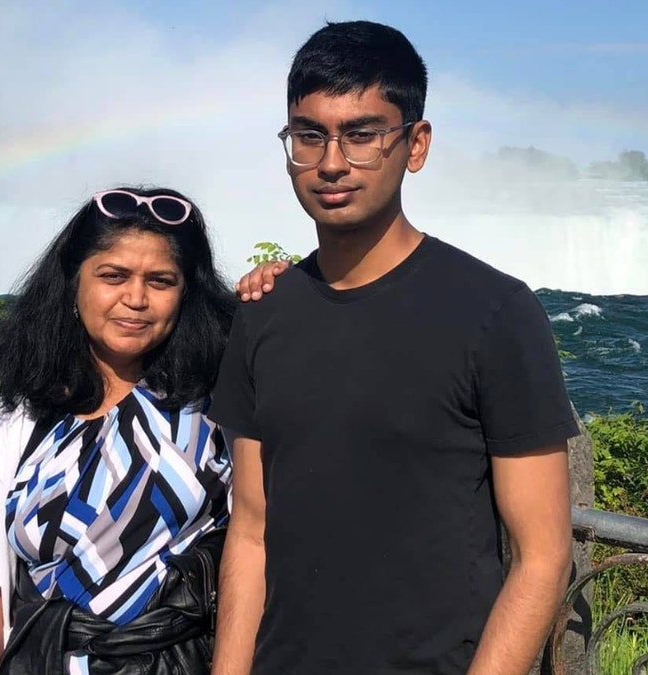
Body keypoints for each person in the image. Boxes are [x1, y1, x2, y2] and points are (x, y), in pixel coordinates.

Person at [210, 20, 578, 675]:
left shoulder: (495, 313)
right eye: (308, 135)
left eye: (362, 134)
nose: (330, 162)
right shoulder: (263, 314)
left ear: (415, 144)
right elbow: (251, 528)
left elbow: (542, 554)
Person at [0, 186, 237, 674]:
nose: (136, 298)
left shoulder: (219, 406)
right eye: (113, 276)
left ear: (187, 293)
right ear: (73, 283)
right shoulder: (20, 415)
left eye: (161, 280)